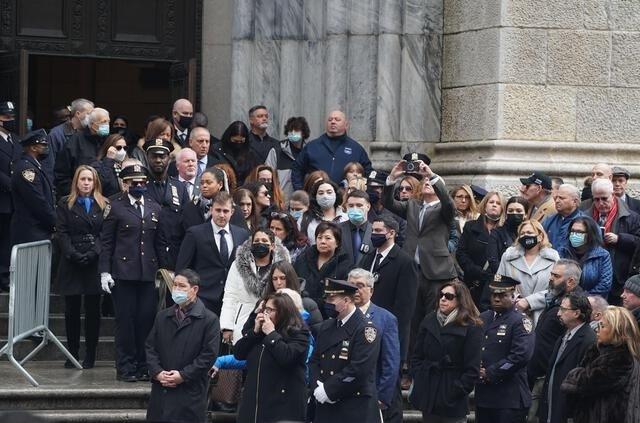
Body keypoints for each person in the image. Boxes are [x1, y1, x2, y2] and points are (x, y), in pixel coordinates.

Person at [383, 157, 457, 372]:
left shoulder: (444, 209)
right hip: (413, 272)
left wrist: (432, 176)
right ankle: (409, 367)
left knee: (431, 320)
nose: (426, 183)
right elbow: (389, 203)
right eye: (424, 181)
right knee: (410, 322)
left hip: (436, 273)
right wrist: (392, 178)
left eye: (430, 183)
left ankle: (427, 366)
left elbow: (449, 203)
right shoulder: (413, 206)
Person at [98, 163, 161, 382]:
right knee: (125, 322)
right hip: (123, 274)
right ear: (125, 184)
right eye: (134, 182)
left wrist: (163, 272)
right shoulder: (115, 206)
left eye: (142, 182)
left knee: (146, 321)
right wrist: (105, 271)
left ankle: (144, 366)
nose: (139, 185)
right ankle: (125, 367)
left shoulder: (154, 206)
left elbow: (158, 242)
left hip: (147, 274)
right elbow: (106, 242)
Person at [145, 269, 220, 423]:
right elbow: (150, 347)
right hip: (162, 391)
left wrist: (183, 375)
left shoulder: (209, 320)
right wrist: (158, 372)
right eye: (175, 286)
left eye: (182, 286)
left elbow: (208, 355)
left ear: (194, 290)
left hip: (189, 394)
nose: (177, 290)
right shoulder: (162, 317)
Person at [55, 165, 106, 369]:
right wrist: (73, 254)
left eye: (90, 179)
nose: (86, 183)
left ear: (95, 182)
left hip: (94, 260)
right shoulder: (65, 203)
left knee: (93, 311)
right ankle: (72, 352)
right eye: (83, 179)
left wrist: (95, 252)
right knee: (71, 311)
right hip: (72, 261)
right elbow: (62, 232)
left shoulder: (104, 204)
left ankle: (90, 354)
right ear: (76, 181)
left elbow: (106, 233)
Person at [309, 278, 381, 423]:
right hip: (326, 405)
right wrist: (318, 386)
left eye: (332, 299)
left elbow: (359, 369)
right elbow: (315, 360)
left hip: (353, 405)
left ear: (347, 300)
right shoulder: (326, 326)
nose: (327, 303)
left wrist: (329, 390)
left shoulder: (366, 329)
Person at [410, 280, 482, 423]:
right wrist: (421, 378)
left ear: (460, 300)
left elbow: (472, 369)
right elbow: (417, 356)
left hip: (452, 395)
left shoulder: (471, 326)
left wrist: (455, 391)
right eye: (441, 295)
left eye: (449, 296)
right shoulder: (429, 319)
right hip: (429, 391)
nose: (442, 299)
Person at [233, 292, 310, 423]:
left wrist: (272, 334)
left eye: (270, 310)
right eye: (265, 309)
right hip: (253, 405)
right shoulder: (259, 334)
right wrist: (255, 332)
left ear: (283, 312)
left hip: (282, 407)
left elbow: (288, 357)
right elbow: (238, 353)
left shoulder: (299, 333)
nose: (265, 314)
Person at [359, 216, 418, 378]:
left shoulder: (405, 262)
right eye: (373, 230)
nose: (374, 234)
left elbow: (405, 307)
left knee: (389, 381)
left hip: (390, 332)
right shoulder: (368, 258)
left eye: (378, 231)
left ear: (391, 233)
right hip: (366, 328)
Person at [561, 306, 640, 423]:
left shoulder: (621, 358)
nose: (597, 329)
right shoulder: (599, 350)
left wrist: (574, 374)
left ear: (616, 330)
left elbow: (585, 382)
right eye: (598, 325)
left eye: (602, 326)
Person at [175, 191, 250, 316]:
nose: (221, 215)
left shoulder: (242, 234)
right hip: (202, 298)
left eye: (225, 211)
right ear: (211, 210)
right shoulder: (195, 233)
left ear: (232, 212)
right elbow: (183, 268)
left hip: (232, 299)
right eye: (218, 210)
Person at [475, 275, 534, 423]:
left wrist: (490, 372)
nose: (496, 298)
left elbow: (520, 356)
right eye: (494, 294)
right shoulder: (483, 318)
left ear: (513, 296)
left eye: (502, 295)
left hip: (509, 397)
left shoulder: (520, 321)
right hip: (485, 395)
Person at [219, 229, 290, 345]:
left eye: (264, 241)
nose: (260, 243)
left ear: (272, 246)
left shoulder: (281, 267)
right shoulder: (238, 265)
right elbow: (230, 296)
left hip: (272, 321)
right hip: (241, 320)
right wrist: (227, 326)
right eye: (256, 241)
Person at [349, 268, 401, 423]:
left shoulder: (385, 318)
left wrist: (382, 397)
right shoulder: (340, 315)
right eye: (351, 285)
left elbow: (390, 362)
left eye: (360, 285)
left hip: (371, 394)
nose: (355, 290)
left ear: (371, 290)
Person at [538, 291, 596, 423]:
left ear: (576, 313)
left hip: (568, 413)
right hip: (552, 408)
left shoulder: (588, 340)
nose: (558, 313)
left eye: (563, 309)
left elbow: (585, 384)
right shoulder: (564, 335)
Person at [588, 178, 640, 305]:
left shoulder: (631, 217)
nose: (600, 203)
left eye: (604, 198)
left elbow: (638, 242)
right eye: (596, 199)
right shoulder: (585, 217)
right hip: (592, 279)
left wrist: (620, 239)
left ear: (612, 195)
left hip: (619, 280)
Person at [498, 219, 559, 325]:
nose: (526, 235)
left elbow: (557, 289)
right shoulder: (508, 257)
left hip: (543, 315)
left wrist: (529, 302)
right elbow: (499, 284)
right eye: (522, 234)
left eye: (530, 233)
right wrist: (514, 300)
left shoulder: (553, 258)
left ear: (540, 236)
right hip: (514, 313)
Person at [291, 110, 373, 189]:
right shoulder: (312, 146)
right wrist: (300, 191)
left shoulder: (356, 149)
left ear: (346, 125)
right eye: (330, 120)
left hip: (345, 199)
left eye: (337, 119)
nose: (333, 122)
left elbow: (368, 171)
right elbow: (297, 168)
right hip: (315, 198)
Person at [457, 191, 506, 309]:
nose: (494, 205)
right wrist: (476, 271)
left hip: (496, 286)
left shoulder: (506, 232)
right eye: (491, 202)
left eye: (498, 203)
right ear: (485, 205)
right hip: (473, 283)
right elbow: (461, 253)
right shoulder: (471, 227)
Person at [10, 129, 56, 245]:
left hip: (39, 229)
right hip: (31, 230)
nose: (46, 148)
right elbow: (38, 202)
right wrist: (55, 222)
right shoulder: (27, 170)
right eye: (43, 145)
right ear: (33, 148)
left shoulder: (36, 166)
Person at [293, 221, 351, 309]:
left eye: (328, 238)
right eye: (319, 238)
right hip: (302, 309)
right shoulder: (303, 259)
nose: (323, 241)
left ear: (337, 242)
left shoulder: (345, 265)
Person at [55, 107, 110, 196]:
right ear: (92, 124)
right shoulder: (75, 142)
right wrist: (73, 194)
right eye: (104, 122)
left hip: (104, 197)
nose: (107, 125)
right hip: (79, 196)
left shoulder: (109, 141)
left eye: (108, 121)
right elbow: (62, 173)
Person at [558, 216, 613, 297]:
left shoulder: (602, 255)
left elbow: (605, 284)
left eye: (579, 232)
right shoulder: (563, 251)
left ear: (590, 234)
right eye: (572, 231)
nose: (574, 235)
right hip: (563, 299)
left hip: (592, 302)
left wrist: (583, 298)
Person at [45, 98, 94, 183]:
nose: (92, 117)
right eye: (89, 114)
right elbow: (50, 165)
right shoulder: (56, 134)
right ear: (78, 114)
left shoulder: (91, 133)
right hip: (65, 188)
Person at [0, 101, 21, 291]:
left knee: (8, 238)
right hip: (3, 196)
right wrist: (10, 184)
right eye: (7, 117)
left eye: (12, 117)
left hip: (13, 201)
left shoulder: (15, 139)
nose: (10, 120)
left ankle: (5, 276)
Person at [265, 116, 310, 200]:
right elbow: (267, 177)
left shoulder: (309, 152)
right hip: (281, 202)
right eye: (290, 131)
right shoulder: (277, 151)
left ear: (303, 133)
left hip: (302, 202)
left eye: (296, 130)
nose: (292, 133)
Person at [210, 121, 259, 186]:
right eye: (235, 141)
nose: (238, 144)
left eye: (241, 141)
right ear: (229, 137)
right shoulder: (216, 150)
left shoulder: (249, 152)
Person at [487, 196, 527, 273]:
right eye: (510, 210)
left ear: (525, 214)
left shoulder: (531, 233)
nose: (514, 213)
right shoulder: (496, 233)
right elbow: (493, 262)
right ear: (506, 213)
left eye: (519, 211)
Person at [542, 184, 587, 251]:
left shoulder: (586, 222)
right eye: (556, 198)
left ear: (574, 202)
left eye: (561, 198)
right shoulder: (549, 220)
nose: (557, 201)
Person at [340, 190, 373, 266]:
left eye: (359, 205)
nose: (355, 209)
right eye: (351, 206)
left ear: (368, 207)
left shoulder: (375, 231)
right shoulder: (337, 229)